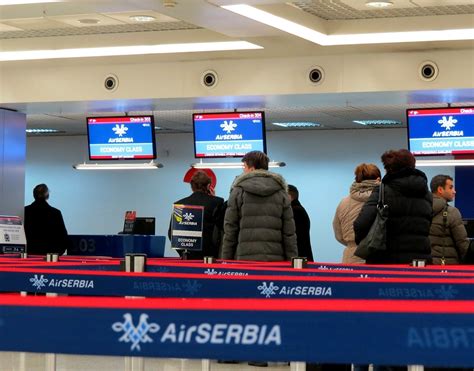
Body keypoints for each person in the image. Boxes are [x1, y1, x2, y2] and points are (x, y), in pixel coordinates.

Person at [354, 149, 432, 265]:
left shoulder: (382, 192)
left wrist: (365, 241)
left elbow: (361, 224)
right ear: (413, 165)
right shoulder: (426, 195)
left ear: (389, 169)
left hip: (385, 260)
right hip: (419, 261)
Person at [221, 151, 297, 262]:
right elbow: (289, 233)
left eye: (245, 167)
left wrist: (226, 261)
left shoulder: (238, 192)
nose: (243, 171)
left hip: (244, 261)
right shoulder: (281, 193)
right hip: (275, 261)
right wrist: (292, 261)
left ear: (252, 168)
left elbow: (230, 230)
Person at [168, 171, 224, 259]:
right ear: (209, 186)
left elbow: (171, 233)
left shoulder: (179, 205)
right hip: (210, 257)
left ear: (192, 187)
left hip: (187, 256)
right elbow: (222, 229)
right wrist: (214, 198)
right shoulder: (217, 202)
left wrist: (184, 252)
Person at [333, 163, 381, 264]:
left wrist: (352, 244)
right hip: (377, 257)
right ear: (378, 179)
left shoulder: (343, 203)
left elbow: (339, 235)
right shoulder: (384, 199)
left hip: (351, 256)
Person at [429, 174, 469, 265]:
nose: (454, 191)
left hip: (426, 265)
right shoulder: (452, 212)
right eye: (450, 188)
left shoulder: (421, 209)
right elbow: (463, 245)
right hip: (448, 266)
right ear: (440, 190)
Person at [24, 183, 69, 255]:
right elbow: (63, 235)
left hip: (30, 253)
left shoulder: (25, 211)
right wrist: (59, 251)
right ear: (47, 195)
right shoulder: (55, 213)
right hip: (51, 255)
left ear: (34, 195)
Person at [288, 184, 313, 261]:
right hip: (302, 257)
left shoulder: (294, 211)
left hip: (297, 258)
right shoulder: (299, 209)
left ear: (289, 196)